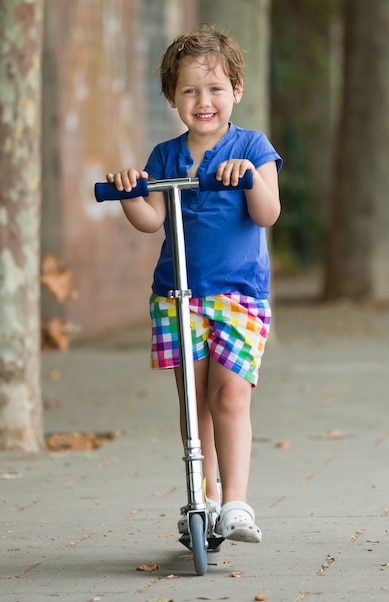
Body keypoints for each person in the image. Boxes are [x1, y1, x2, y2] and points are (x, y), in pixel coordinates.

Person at [106, 24, 282, 544]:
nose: (203, 101)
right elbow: (150, 220)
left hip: (240, 296)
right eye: (190, 90)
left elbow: (268, 213)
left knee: (230, 395)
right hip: (178, 294)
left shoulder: (253, 145)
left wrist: (248, 173)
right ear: (172, 97)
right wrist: (127, 192)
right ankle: (200, 498)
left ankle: (235, 503)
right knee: (194, 399)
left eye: (215, 89)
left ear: (236, 93)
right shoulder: (166, 155)